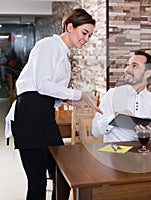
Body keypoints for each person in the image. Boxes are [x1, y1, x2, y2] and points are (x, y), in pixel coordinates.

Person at [9, 8, 102, 200]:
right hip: (30, 114)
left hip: (44, 114)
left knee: (62, 177)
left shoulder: (65, 57)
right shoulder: (48, 45)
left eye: (90, 35)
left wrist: (69, 99)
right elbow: (42, 85)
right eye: (84, 32)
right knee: (37, 183)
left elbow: (48, 90)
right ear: (69, 26)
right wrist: (78, 93)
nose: (87, 39)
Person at [92, 50, 151, 142]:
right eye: (128, 65)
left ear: (147, 73)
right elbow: (95, 131)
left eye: (134, 66)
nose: (127, 70)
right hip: (115, 154)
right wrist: (115, 117)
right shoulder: (112, 94)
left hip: (143, 154)